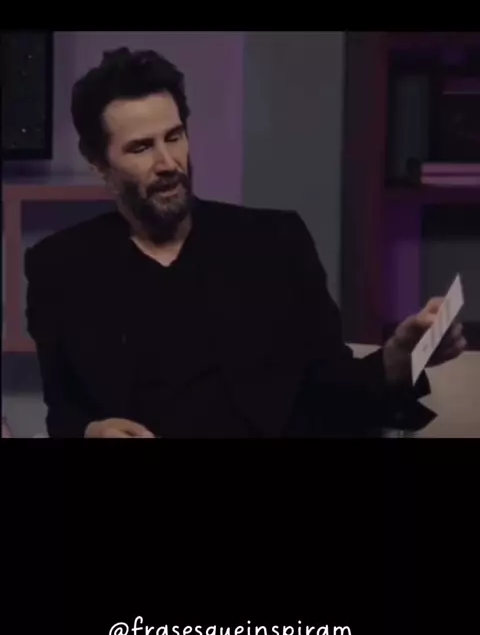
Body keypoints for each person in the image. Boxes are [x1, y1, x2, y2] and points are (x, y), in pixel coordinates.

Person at [24, 48, 467, 438]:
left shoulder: (275, 243)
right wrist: (91, 431)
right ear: (99, 163)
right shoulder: (59, 268)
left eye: (174, 137)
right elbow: (64, 411)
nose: (167, 163)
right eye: (140, 148)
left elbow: (334, 386)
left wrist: (398, 358)